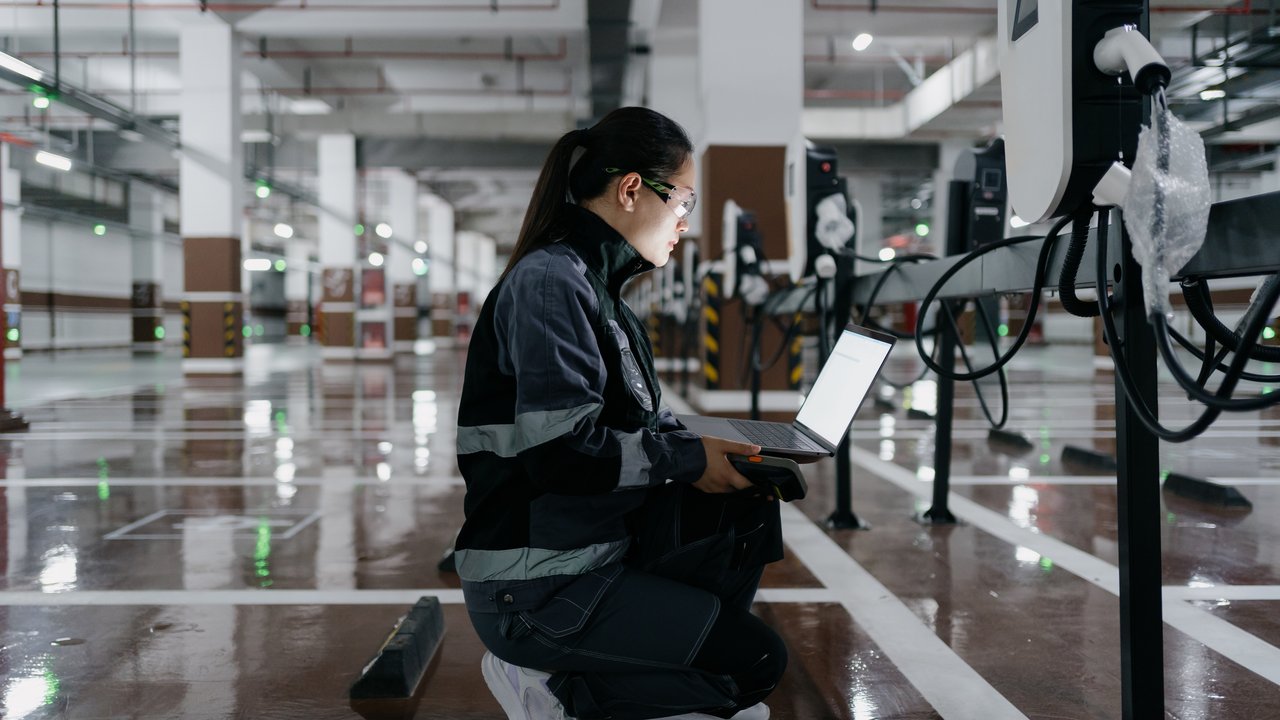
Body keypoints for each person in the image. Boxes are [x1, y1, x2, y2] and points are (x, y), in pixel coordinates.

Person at [455, 106, 787, 720]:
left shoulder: (595, 285)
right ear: (632, 189)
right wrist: (690, 458)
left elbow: (626, 424)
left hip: (582, 554)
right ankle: (554, 689)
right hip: (537, 586)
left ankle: (638, 666)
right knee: (755, 663)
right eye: (683, 201)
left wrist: (708, 444)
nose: (685, 222)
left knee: (747, 509)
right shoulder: (552, 282)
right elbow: (561, 453)